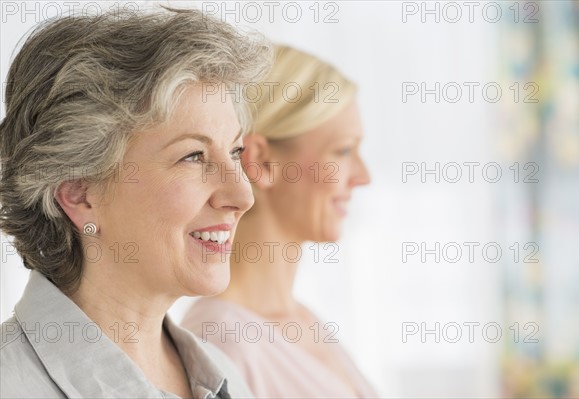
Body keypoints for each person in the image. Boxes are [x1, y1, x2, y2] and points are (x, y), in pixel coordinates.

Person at [0, 7, 271, 398]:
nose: (242, 196)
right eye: (194, 156)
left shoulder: (225, 377)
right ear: (79, 193)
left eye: (235, 151)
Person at [182, 45, 377, 398]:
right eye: (344, 151)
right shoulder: (223, 342)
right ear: (263, 161)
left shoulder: (303, 320)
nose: (363, 176)